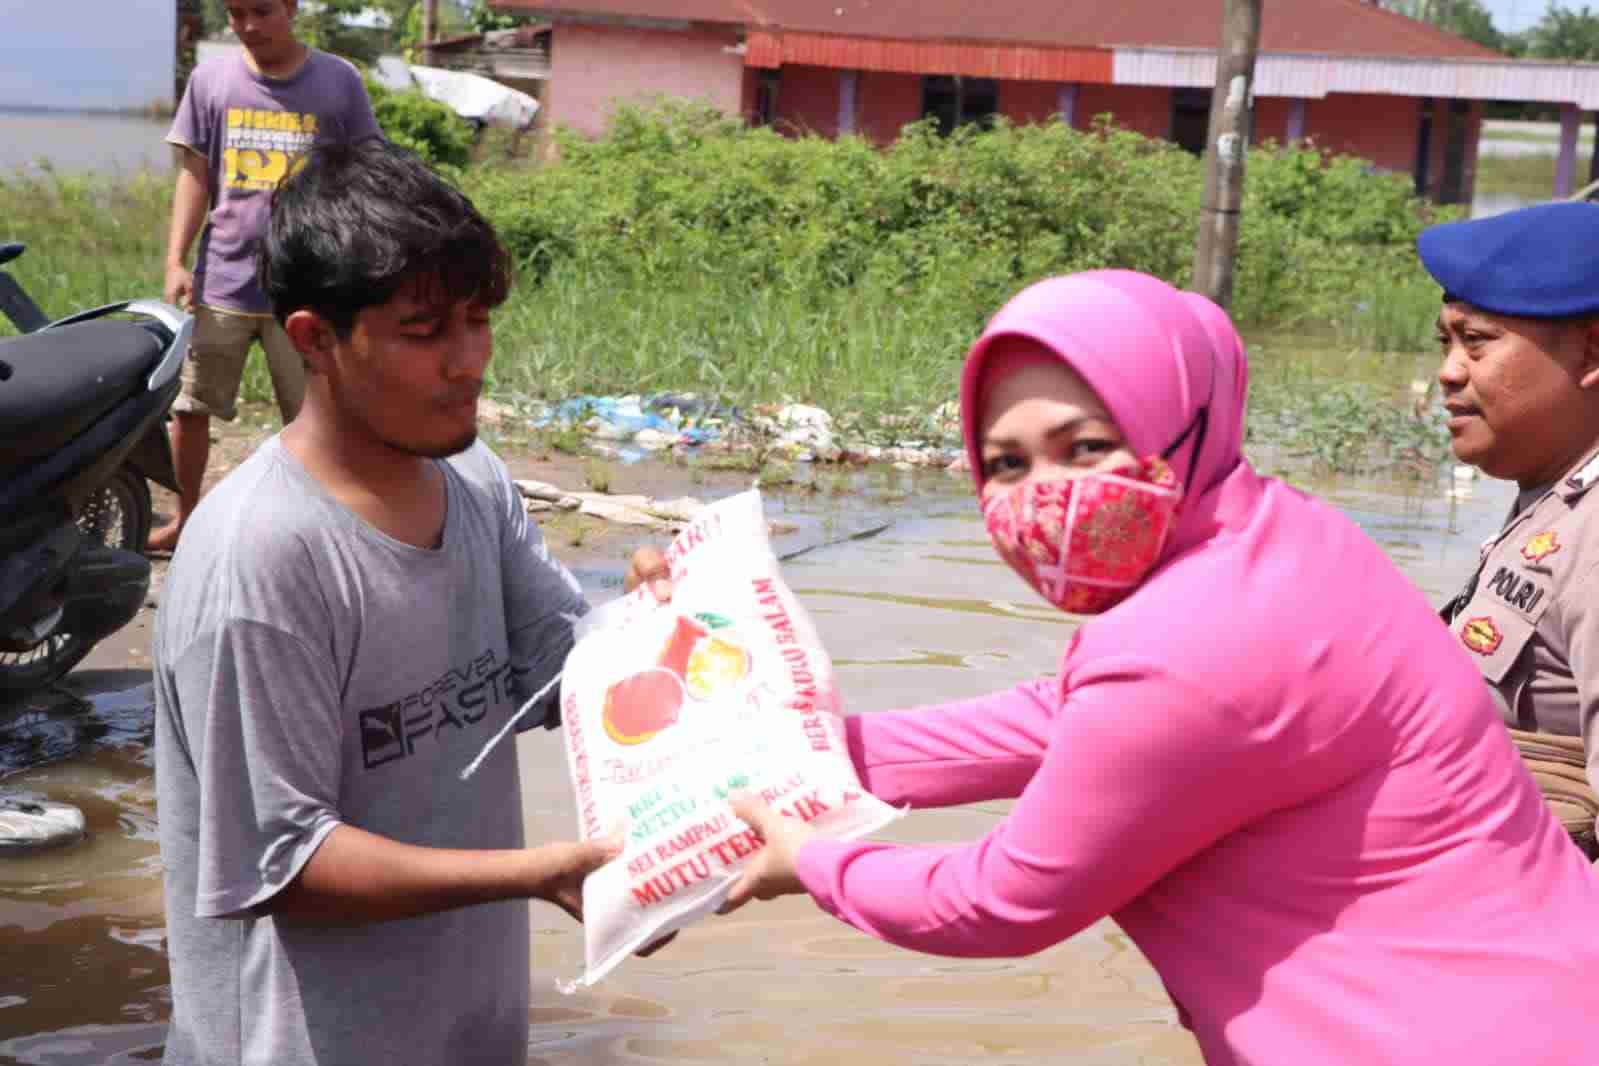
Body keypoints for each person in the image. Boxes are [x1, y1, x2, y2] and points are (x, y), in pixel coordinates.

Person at [722, 270, 1599, 1066]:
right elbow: (1060, 715)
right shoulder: (1274, 534)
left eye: (1088, 447)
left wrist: (814, 863)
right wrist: (781, 756)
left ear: (1177, 420)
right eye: (1006, 464)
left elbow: (1003, 899)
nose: (1048, 498)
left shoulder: (1191, 639)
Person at [153, 138, 668, 1066]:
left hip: (464, 1028)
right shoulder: (261, 560)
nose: (468, 362)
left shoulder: (471, 479)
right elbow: (284, 864)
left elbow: (561, 669)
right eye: (425, 332)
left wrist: (661, 617)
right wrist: (538, 875)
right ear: (314, 338)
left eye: (478, 320)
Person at [150, 0, 381, 552]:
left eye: (262, 11)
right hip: (222, 279)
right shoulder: (211, 80)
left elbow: (364, 171)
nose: (249, 26)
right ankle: (187, 520)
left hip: (304, 285)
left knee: (312, 415)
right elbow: (195, 176)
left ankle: (313, 532)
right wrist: (176, 258)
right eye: (235, 14)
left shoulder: (337, 81)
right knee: (192, 407)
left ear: (291, 9)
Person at [1421, 201, 1599, 857]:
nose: (1448, 370)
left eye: (1477, 342)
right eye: (1445, 342)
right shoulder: (1553, 490)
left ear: (1591, 350)